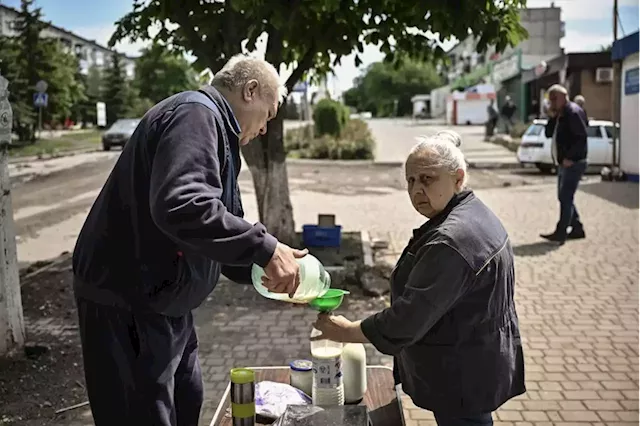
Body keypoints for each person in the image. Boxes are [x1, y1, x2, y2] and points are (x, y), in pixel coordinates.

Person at [71, 55, 308, 425]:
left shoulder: (219, 131)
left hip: (165, 303)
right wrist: (264, 247)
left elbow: (213, 230)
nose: (265, 128)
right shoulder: (196, 115)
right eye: (269, 114)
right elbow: (182, 205)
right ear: (250, 91)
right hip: (129, 303)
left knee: (187, 399)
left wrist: (268, 271)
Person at [313, 130, 525, 426]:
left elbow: (407, 319)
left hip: (462, 374)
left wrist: (347, 331)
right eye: (410, 180)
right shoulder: (472, 212)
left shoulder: (452, 241)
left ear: (458, 178)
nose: (416, 190)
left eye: (427, 179)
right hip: (475, 361)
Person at [541, 84, 588, 244]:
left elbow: (581, 137)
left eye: (554, 98)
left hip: (573, 163)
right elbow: (548, 133)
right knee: (564, 197)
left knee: (565, 196)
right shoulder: (561, 114)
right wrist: (552, 116)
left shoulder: (572, 112)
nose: (552, 102)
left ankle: (561, 232)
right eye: (550, 99)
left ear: (564, 96)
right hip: (563, 162)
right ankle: (577, 227)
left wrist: (571, 157)